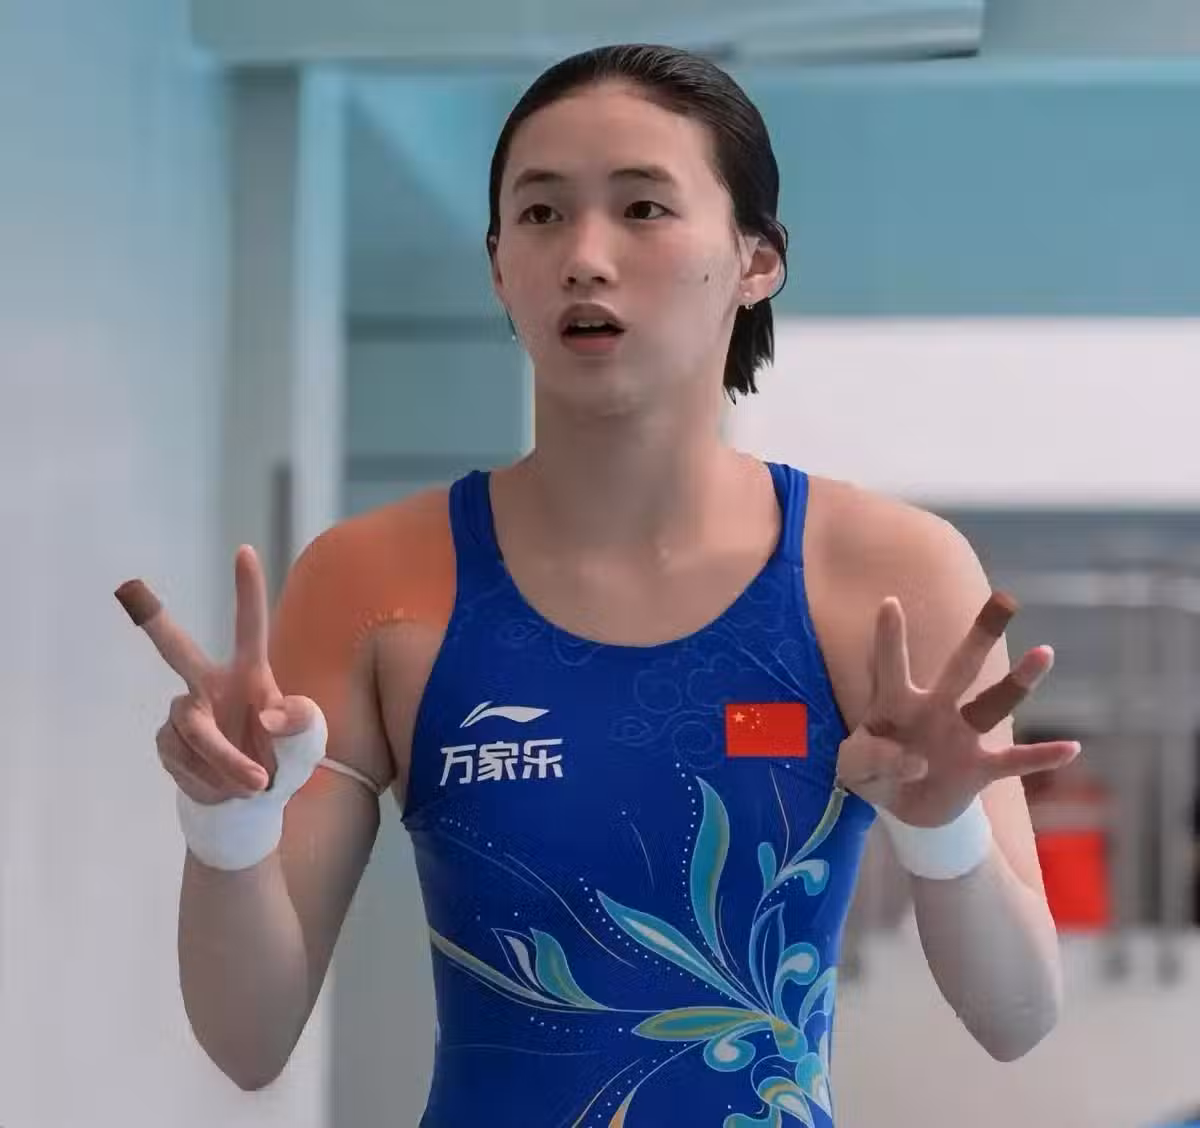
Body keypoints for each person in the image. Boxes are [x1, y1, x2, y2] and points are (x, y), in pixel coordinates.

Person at [118, 44, 1081, 1126]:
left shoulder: (886, 577)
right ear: (498, 266)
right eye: (540, 214)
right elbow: (247, 1040)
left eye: (642, 209)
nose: (584, 256)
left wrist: (944, 831)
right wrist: (228, 828)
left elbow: (1018, 1016)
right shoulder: (376, 581)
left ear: (757, 260)